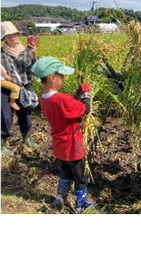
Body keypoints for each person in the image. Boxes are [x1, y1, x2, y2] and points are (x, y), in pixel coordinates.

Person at [30, 57, 94, 212]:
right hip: (73, 145)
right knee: (81, 176)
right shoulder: (62, 99)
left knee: (65, 172)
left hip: (59, 146)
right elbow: (84, 109)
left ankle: (60, 197)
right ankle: (81, 205)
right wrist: (85, 94)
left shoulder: (44, 99)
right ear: (52, 78)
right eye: (62, 76)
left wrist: (75, 95)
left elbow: (66, 108)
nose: (63, 79)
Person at [1, 21, 39, 156]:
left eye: (15, 34)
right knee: (5, 115)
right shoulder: (1, 54)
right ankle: (2, 144)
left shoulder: (27, 51)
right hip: (6, 90)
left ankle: (27, 138)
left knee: (25, 114)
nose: (13, 37)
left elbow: (36, 70)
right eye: (9, 35)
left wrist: (34, 54)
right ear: (4, 38)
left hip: (24, 88)